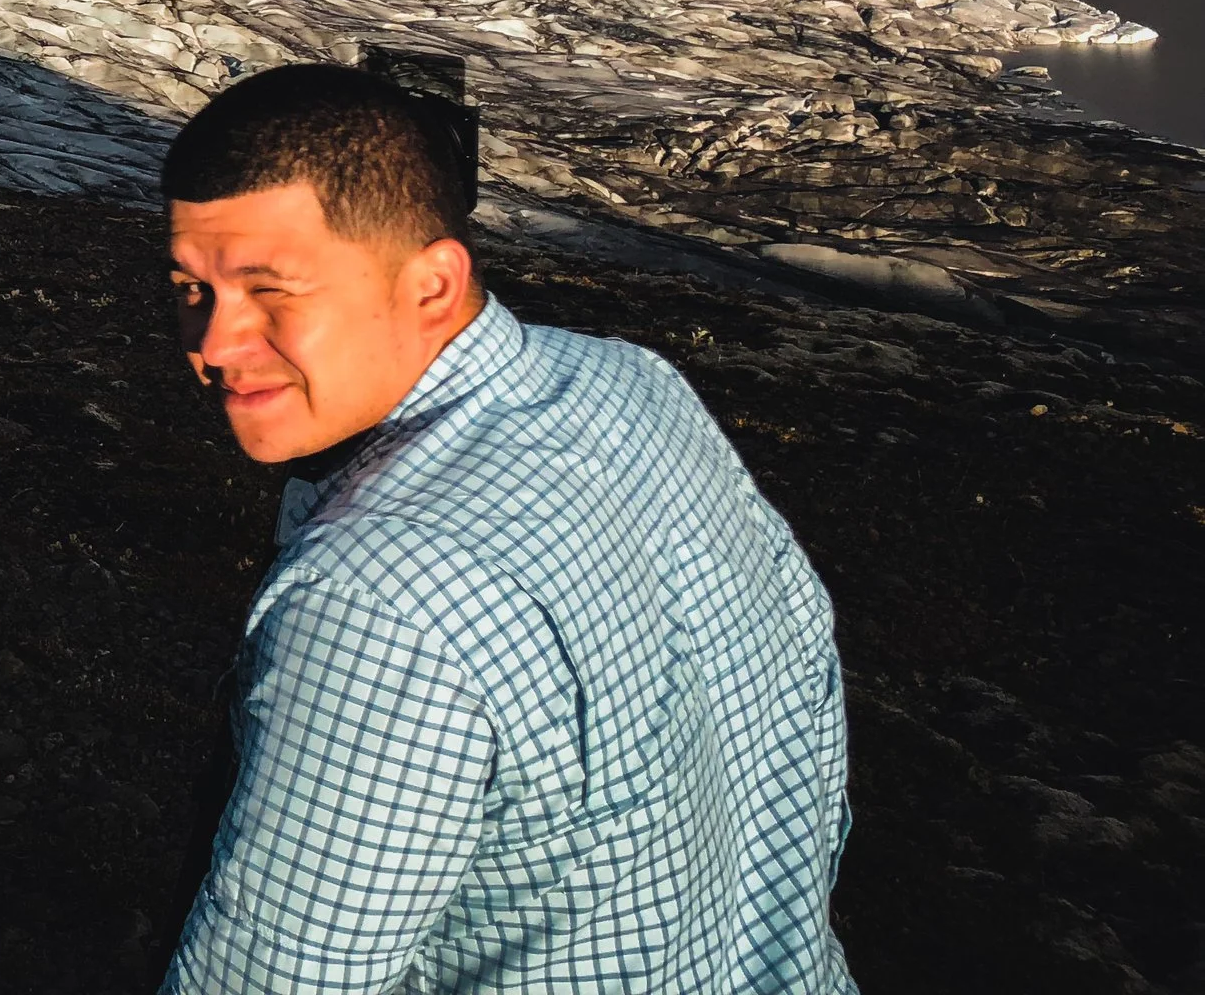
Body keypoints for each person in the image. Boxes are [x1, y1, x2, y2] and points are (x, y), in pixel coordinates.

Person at [160, 63, 856, 993]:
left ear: (433, 286)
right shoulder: (631, 383)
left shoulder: (378, 604)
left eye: (271, 292)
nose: (211, 344)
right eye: (191, 290)